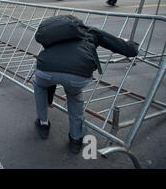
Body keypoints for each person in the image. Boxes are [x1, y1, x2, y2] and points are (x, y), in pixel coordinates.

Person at [33, 15, 139, 154]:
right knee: (74, 96)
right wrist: (132, 45)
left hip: (45, 70)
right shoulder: (91, 32)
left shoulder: (55, 35)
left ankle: (43, 124)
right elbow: (126, 49)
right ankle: (75, 139)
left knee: (41, 86)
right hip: (78, 74)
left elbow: (55, 59)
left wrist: (49, 98)